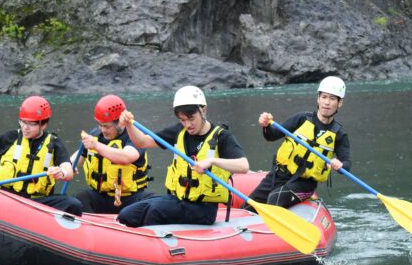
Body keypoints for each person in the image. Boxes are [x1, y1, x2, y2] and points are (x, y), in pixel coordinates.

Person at [116, 85, 250, 227]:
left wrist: (211, 161)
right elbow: (142, 142)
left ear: (203, 110)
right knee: (127, 214)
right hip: (177, 200)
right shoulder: (179, 132)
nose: (188, 125)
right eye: (183, 120)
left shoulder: (221, 136)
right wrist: (129, 125)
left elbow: (244, 166)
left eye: (191, 118)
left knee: (154, 212)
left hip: (203, 209)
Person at [246, 76, 352, 209]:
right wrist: (266, 126)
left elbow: (347, 164)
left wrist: (339, 165)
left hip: (304, 183)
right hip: (279, 175)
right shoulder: (301, 119)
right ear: (318, 99)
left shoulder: (339, 134)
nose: (327, 102)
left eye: (332, 98)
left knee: (275, 198)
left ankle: (307, 196)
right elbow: (272, 136)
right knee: (248, 207)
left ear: (339, 103)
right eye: (324, 97)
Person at [0, 95, 83, 216]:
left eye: (31, 124)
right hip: (7, 198)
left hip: (37, 202)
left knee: (74, 204)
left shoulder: (54, 143)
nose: (25, 128)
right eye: (22, 122)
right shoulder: (10, 137)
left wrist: (61, 173)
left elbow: (68, 170)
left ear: (43, 124)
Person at [73, 94, 155, 214]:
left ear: (120, 123)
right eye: (100, 125)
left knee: (153, 202)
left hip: (131, 198)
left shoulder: (134, 136)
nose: (102, 130)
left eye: (107, 126)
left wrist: (96, 146)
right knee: (80, 198)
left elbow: (126, 157)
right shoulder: (95, 135)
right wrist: (65, 168)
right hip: (101, 197)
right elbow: (75, 160)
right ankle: (91, 228)